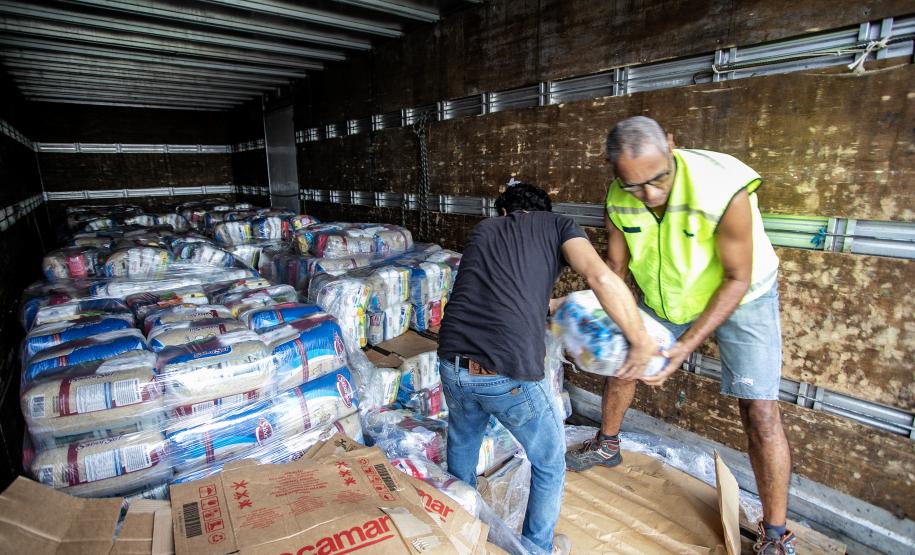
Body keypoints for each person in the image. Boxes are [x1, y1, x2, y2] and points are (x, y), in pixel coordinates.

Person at [564, 115, 794, 554]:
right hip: (669, 294)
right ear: (613, 171)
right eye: (634, 185)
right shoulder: (618, 197)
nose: (649, 194)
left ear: (671, 144)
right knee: (624, 360)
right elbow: (614, 271)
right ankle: (606, 444)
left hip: (742, 296)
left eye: (658, 178)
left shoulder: (721, 187)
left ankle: (776, 533)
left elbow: (737, 277)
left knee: (759, 411)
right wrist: (604, 326)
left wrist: (683, 348)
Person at [437, 181, 657, 555]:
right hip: (505, 374)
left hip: (451, 363)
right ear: (544, 210)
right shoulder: (559, 225)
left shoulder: (484, 230)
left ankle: (459, 532)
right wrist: (639, 339)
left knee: (462, 448)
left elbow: (501, 295)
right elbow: (601, 276)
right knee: (550, 463)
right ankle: (537, 550)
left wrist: (553, 304)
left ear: (504, 212)